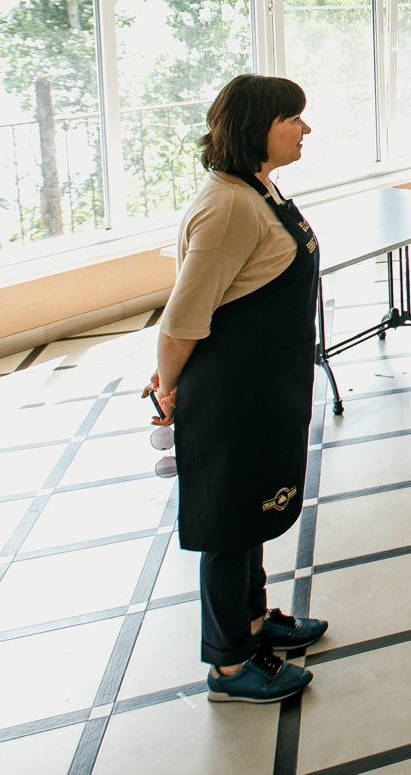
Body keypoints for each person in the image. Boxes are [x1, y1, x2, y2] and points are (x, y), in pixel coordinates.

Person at [144, 74, 328, 704]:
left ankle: (252, 623)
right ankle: (228, 666)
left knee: (250, 512)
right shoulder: (228, 208)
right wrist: (168, 389)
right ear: (257, 128)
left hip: (264, 384)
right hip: (230, 392)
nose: (305, 129)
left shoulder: (257, 189)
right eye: (292, 119)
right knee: (228, 526)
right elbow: (182, 319)